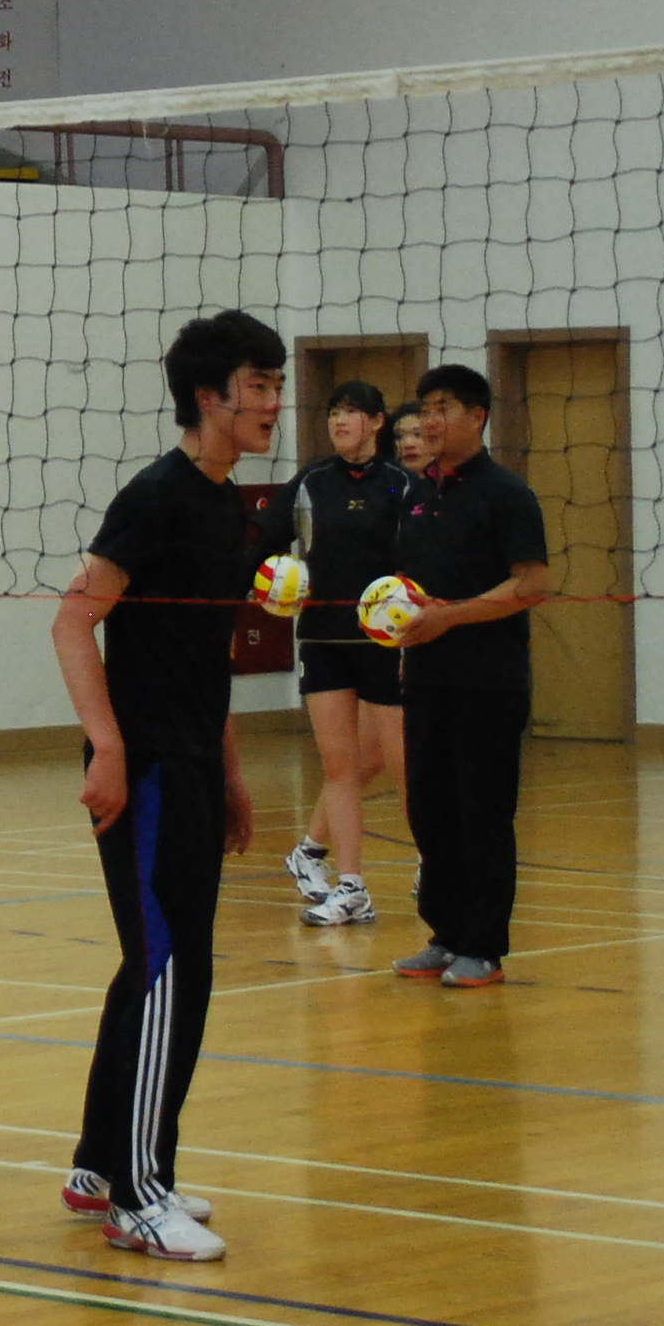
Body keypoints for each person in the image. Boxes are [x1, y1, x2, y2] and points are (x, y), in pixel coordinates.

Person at [50, 309, 279, 1263]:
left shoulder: (232, 507)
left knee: (168, 965)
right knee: (163, 968)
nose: (273, 403)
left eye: (277, 385)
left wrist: (230, 772)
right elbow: (73, 622)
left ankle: (104, 1165)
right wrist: (107, 747)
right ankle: (138, 1199)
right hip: (141, 768)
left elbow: (206, 656)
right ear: (207, 396)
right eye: (257, 386)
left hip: (190, 764)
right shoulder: (153, 498)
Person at [381, 366, 552, 992]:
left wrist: (449, 617)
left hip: (488, 682)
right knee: (430, 811)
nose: (429, 421)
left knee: (482, 813)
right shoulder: (417, 494)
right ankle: (445, 934)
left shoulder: (506, 493)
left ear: (477, 417)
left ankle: (483, 947)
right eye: (424, 408)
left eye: (443, 408)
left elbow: (532, 584)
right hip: (426, 678)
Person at [276, 380, 408, 928]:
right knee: (341, 766)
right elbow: (267, 539)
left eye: (351, 412)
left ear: (376, 422)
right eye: (333, 412)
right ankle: (351, 886)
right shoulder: (311, 481)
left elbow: (420, 556)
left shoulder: (400, 483)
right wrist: (267, 582)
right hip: (323, 639)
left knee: (400, 763)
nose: (339, 421)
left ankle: (438, 866)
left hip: (385, 643)